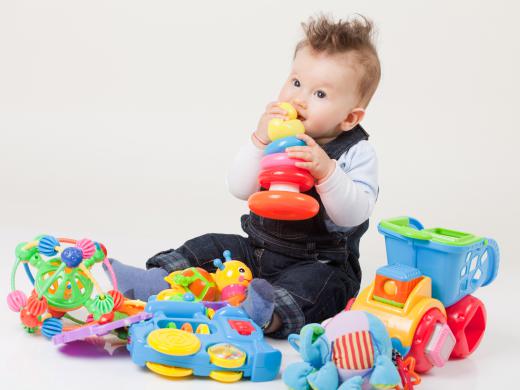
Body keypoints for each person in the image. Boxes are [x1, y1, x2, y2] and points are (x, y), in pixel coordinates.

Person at [107, 14, 381, 338]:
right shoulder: (276, 137)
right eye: (296, 83)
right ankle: (157, 281)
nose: (298, 99)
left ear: (350, 117)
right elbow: (239, 187)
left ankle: (264, 314)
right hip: (259, 252)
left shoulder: (356, 153)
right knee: (212, 246)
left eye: (319, 94)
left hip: (319, 263)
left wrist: (327, 172)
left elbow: (353, 214)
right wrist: (259, 141)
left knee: (321, 288)